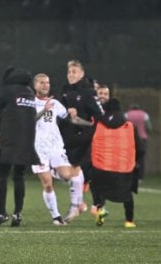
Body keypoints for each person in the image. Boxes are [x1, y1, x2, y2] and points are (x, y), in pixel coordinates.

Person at [0, 67, 40, 227]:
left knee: (2, 174)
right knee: (19, 176)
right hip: (27, 141)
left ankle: (2, 213)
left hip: (9, 141)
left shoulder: (7, 91)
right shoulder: (29, 92)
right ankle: (17, 214)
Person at [31, 73, 79, 226]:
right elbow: (28, 121)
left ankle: (53, 171)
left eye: (47, 82)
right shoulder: (30, 103)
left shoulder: (56, 103)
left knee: (67, 176)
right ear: (35, 85)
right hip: (38, 150)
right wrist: (44, 110)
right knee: (48, 184)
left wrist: (74, 114)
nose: (45, 85)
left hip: (56, 146)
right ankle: (56, 216)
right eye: (41, 82)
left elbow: (68, 117)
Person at [58, 60, 105, 216]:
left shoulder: (88, 91)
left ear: (82, 73)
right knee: (71, 171)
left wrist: (89, 130)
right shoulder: (65, 90)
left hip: (82, 137)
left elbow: (99, 115)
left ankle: (81, 206)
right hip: (67, 136)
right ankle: (79, 205)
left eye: (74, 72)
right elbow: (61, 113)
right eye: (69, 72)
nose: (71, 75)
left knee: (76, 170)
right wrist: (66, 112)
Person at [89, 99, 143, 228]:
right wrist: (136, 161)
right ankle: (129, 221)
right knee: (127, 194)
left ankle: (100, 209)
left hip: (102, 168)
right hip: (123, 169)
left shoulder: (98, 123)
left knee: (97, 186)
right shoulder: (129, 126)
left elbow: (88, 140)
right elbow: (140, 148)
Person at [125, 104, 152, 180]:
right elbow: (149, 127)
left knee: (129, 158)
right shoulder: (144, 115)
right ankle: (140, 177)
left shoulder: (127, 114)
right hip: (142, 139)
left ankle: (130, 175)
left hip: (130, 138)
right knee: (141, 159)